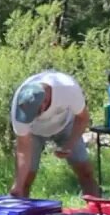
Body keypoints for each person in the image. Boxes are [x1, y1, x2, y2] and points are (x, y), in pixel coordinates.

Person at [8, 70, 102, 199]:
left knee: (85, 171)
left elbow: (82, 118)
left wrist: (70, 144)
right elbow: (23, 147)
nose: (32, 117)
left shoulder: (68, 88)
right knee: (25, 180)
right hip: (34, 132)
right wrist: (18, 184)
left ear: (45, 102)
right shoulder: (19, 106)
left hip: (65, 124)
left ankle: (96, 212)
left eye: (34, 113)